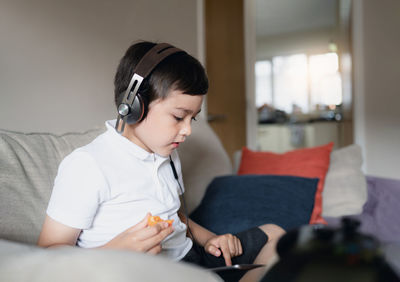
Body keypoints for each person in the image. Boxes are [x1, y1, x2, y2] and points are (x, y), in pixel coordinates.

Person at [37, 41, 285, 281]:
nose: (187, 130)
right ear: (133, 106)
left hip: (190, 261)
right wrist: (113, 251)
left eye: (193, 119)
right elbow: (49, 250)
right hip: (142, 272)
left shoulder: (166, 152)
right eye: (179, 117)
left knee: (276, 236)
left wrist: (210, 238)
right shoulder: (88, 164)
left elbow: (175, 215)